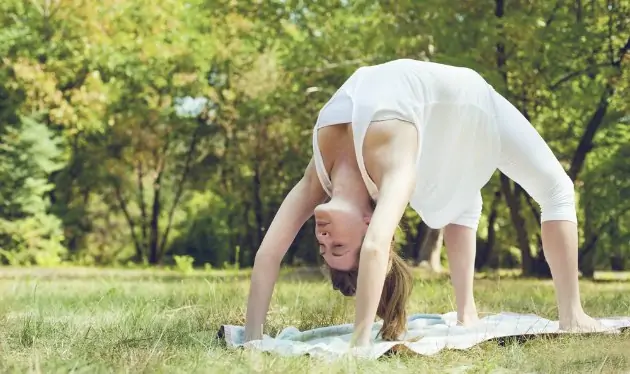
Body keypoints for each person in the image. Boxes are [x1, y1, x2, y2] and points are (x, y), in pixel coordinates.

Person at [243, 58, 606, 346]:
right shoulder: (392, 169)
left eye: (323, 247)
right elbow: (374, 251)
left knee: (540, 190)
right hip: (462, 113)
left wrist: (253, 339)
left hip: (459, 102)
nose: (322, 238)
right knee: (551, 189)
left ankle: (569, 312)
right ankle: (475, 313)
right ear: (368, 225)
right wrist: (359, 343)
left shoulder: (320, 171)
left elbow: (268, 253)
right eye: (337, 245)